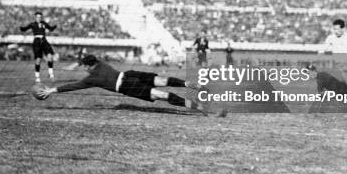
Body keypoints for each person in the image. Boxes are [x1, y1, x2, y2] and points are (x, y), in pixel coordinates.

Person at [34, 55, 226, 116]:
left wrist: (52, 90)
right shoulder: (101, 63)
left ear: (87, 66)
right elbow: (88, 61)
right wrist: (80, 61)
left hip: (127, 85)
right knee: (161, 80)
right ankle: (192, 84)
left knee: (162, 95)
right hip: (129, 74)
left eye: (84, 66)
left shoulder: (91, 78)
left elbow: (73, 86)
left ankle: (202, 107)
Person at [20, 11, 57, 83]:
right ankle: (37, 77)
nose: (39, 18)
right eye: (37, 17)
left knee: (50, 56)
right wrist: (20, 27)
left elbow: (51, 29)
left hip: (44, 40)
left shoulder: (44, 23)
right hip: (37, 42)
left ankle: (51, 74)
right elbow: (24, 29)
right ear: (35, 17)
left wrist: (55, 25)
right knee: (38, 60)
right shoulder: (32, 24)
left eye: (40, 17)